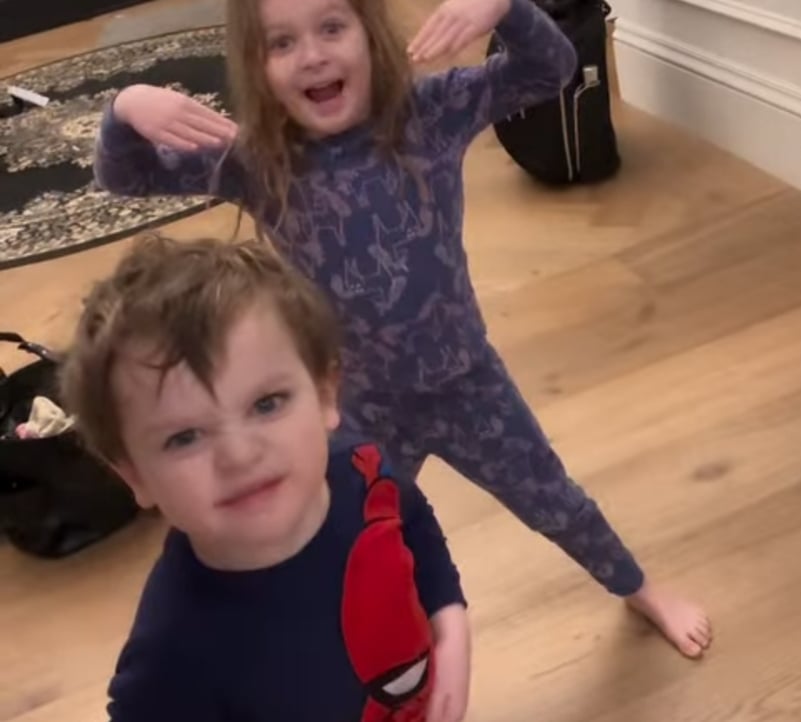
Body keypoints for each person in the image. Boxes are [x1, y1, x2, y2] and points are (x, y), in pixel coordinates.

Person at [91, 0, 712, 657]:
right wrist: (125, 108)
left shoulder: (431, 113)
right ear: (255, 67)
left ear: (371, 34)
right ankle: (371, 656)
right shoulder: (257, 158)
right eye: (281, 43)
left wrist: (506, 7)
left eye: (332, 27)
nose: (313, 56)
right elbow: (125, 176)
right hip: (353, 407)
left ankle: (638, 587)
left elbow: (550, 69)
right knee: (353, 540)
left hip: (467, 381)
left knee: (555, 500)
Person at [58, 234, 471, 722]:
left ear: (325, 395)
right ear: (134, 476)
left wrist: (450, 623)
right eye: (184, 437)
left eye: (267, 404)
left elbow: (416, 529)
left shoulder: (364, 471)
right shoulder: (172, 652)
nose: (239, 455)